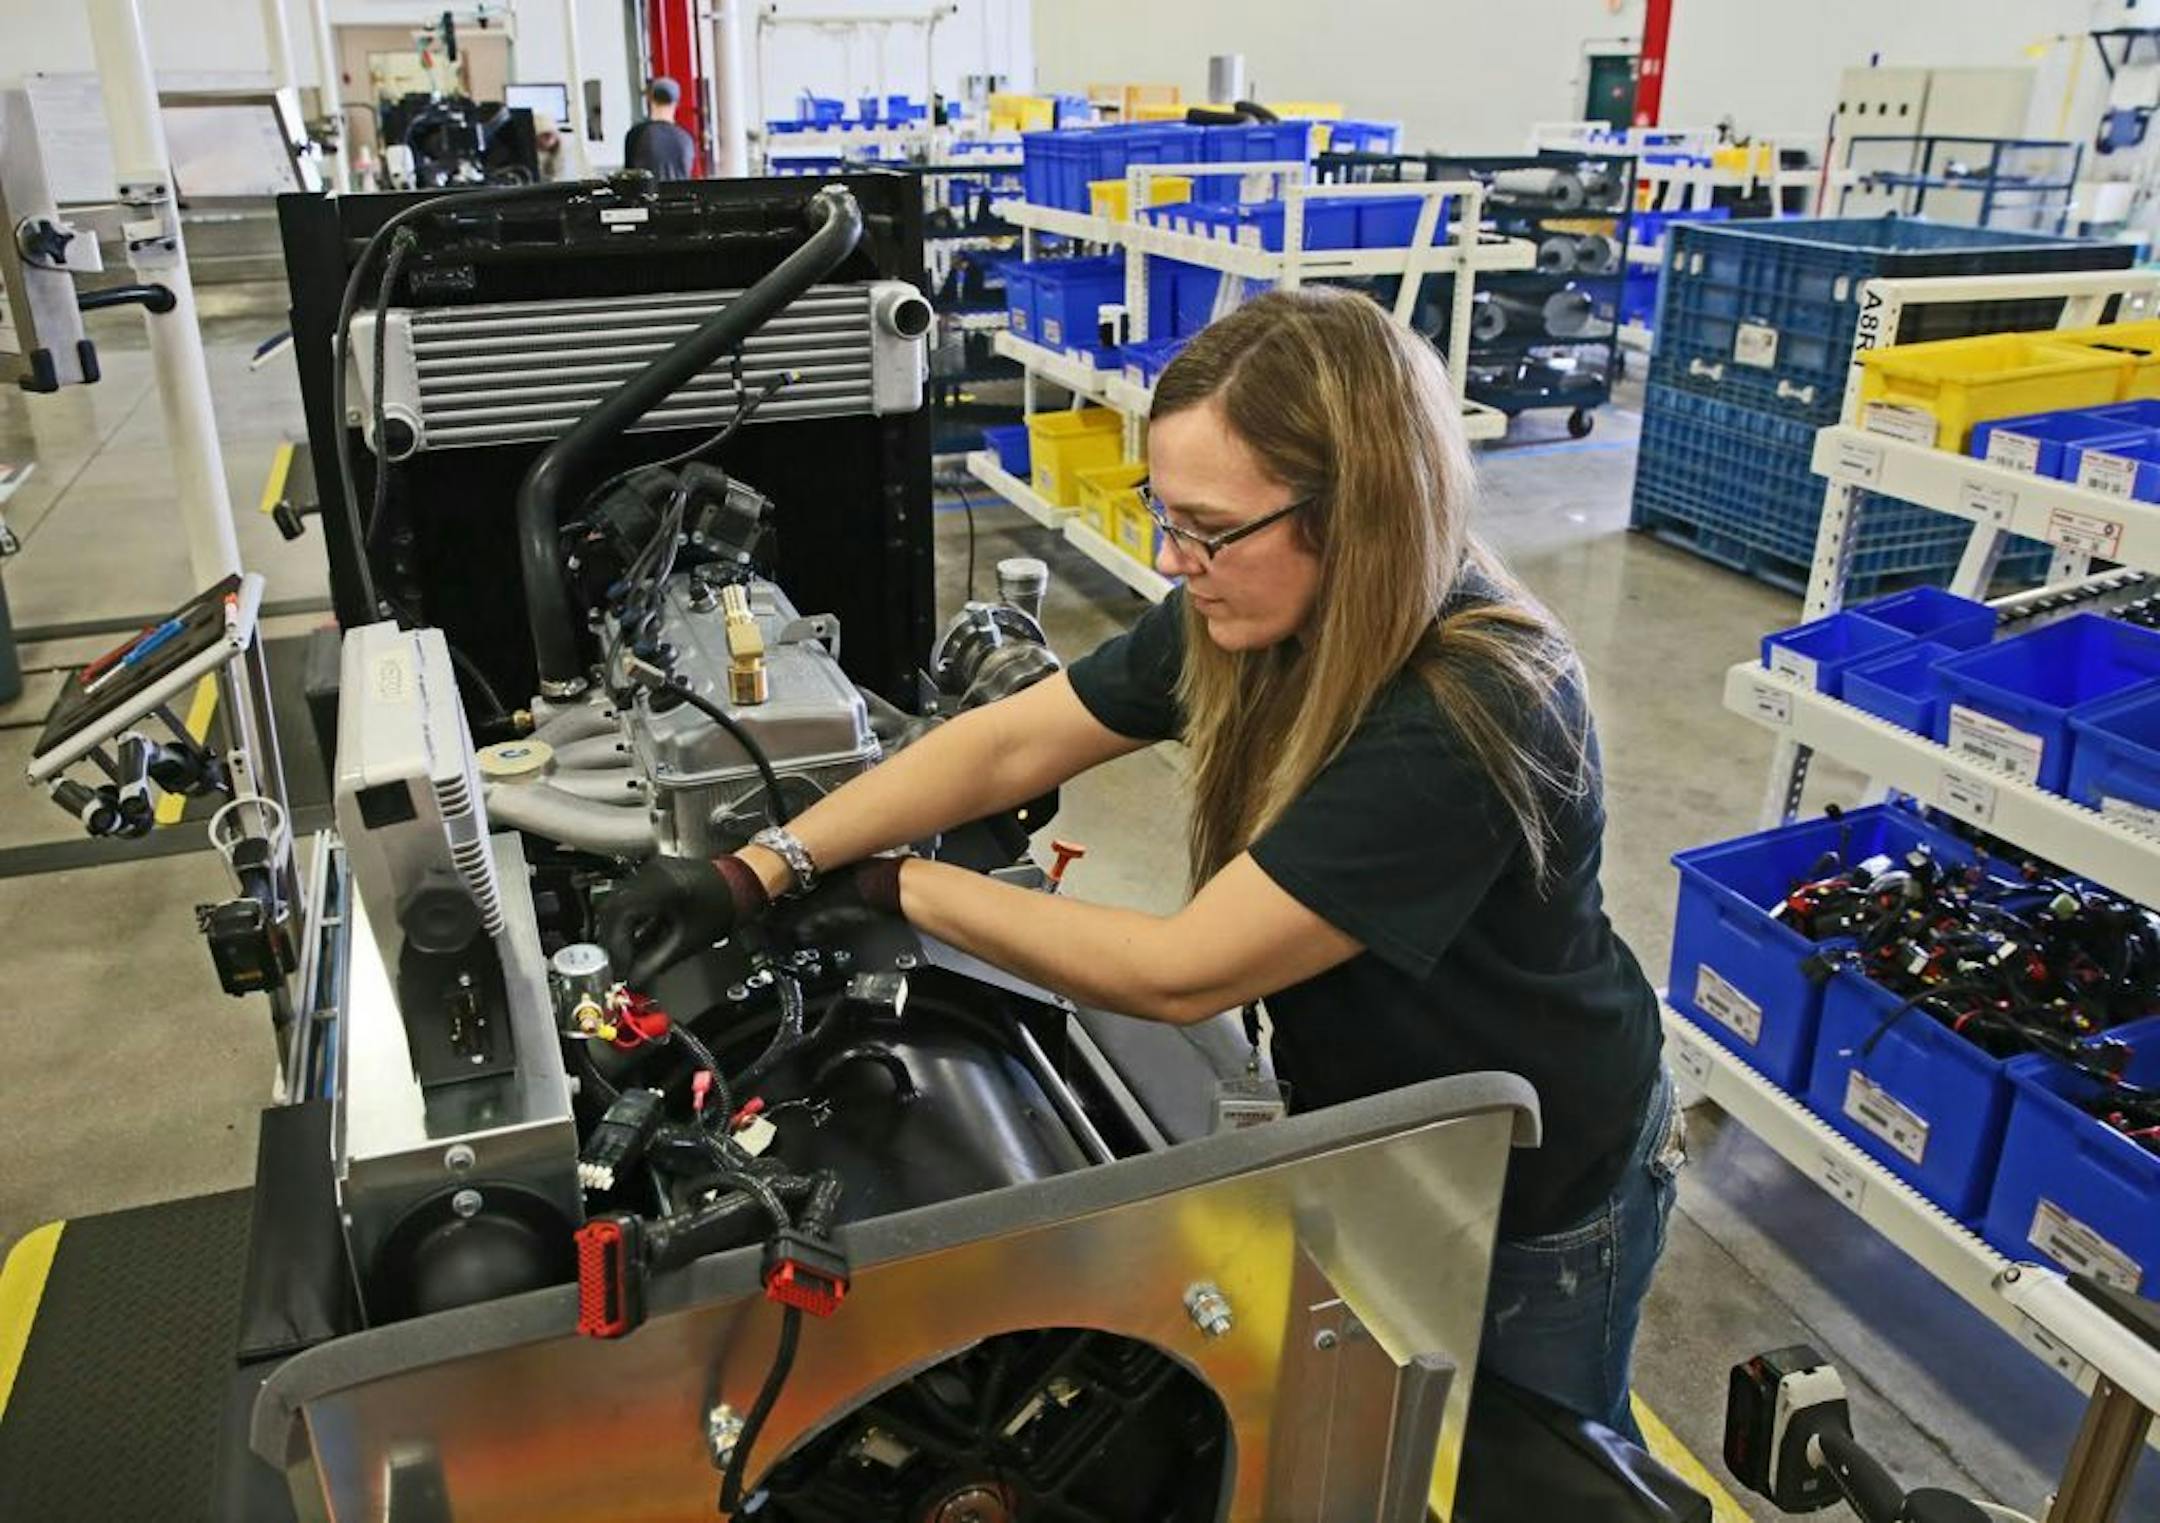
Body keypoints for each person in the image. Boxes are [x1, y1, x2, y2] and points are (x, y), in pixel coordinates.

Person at [599, 286, 1679, 1441]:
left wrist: (901, 884)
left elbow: (1181, 970)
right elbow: (1014, 737)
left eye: (1209, 528)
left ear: (1358, 511)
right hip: (1385, 1125)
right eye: (1166, 514)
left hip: (1533, 1188)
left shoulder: (1465, 710)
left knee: (1534, 1468)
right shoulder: (1255, 615)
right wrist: (764, 864)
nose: (1176, 558)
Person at [624, 77, 696, 181]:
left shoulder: (636, 134)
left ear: (650, 99)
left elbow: (628, 177)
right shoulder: (686, 137)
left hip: (646, 196)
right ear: (676, 103)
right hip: (679, 196)